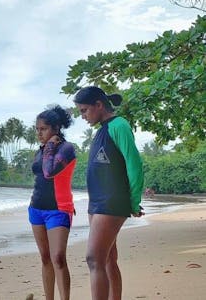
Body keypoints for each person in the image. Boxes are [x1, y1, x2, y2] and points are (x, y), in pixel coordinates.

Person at [74, 86, 144, 300]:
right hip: (97, 203)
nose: (83, 117)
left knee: (93, 259)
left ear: (99, 104)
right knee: (107, 260)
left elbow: (134, 165)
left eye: (85, 111)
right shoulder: (101, 130)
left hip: (112, 202)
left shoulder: (119, 125)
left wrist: (133, 202)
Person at [28, 105, 76, 300]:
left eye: (43, 129)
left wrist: (49, 147)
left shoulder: (66, 148)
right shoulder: (40, 150)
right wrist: (46, 147)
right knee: (46, 258)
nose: (39, 133)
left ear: (56, 128)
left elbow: (49, 173)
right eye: (37, 129)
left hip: (59, 209)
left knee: (58, 258)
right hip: (36, 208)